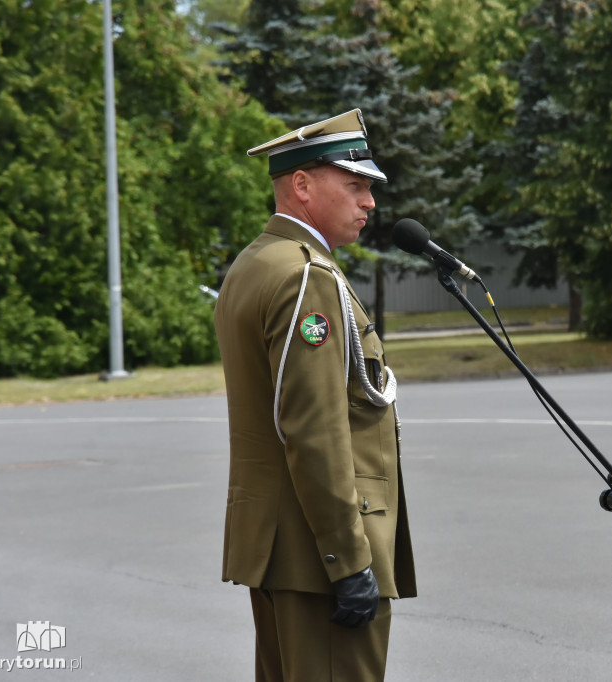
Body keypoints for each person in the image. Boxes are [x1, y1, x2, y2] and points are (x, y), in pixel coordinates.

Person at [213, 109, 416, 681]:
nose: (369, 202)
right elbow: (314, 430)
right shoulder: (310, 277)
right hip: (321, 557)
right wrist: (348, 562)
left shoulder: (254, 263)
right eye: (355, 185)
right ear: (302, 185)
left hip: (282, 553)